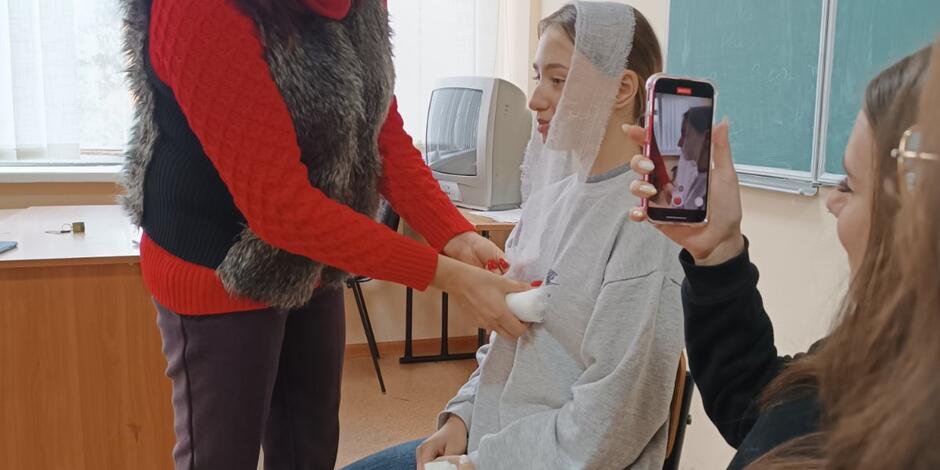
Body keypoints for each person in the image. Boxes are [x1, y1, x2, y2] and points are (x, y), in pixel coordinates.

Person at [119, 0, 530, 468]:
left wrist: (455, 235)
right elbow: (282, 209)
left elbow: (380, 136)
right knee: (221, 455)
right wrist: (452, 278)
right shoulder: (200, 10)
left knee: (308, 444)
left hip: (314, 256)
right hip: (216, 264)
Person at [344, 3, 683, 469]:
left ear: (623, 88)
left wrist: (482, 463)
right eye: (538, 76)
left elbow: (610, 427)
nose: (535, 99)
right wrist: (460, 418)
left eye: (558, 80)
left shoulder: (645, 228)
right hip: (485, 445)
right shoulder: (551, 203)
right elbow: (506, 342)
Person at [625, 44, 933, 469]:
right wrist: (717, 251)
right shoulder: (888, 350)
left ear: (916, 220)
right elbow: (762, 404)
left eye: (849, 185)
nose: (833, 203)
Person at [671, 106, 711, 209]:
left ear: (707, 138)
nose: (679, 143)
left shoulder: (713, 188)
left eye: (685, 134)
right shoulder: (692, 175)